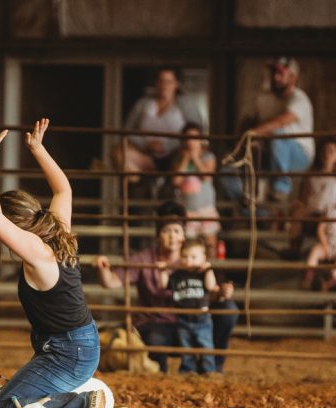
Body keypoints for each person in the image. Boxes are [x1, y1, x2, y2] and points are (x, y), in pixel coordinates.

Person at [0, 118, 117, 408]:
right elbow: (63, 188)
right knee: (9, 400)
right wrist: (38, 150)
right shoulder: (56, 231)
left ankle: (84, 406)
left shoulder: (38, 251)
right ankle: (94, 404)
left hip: (67, 352)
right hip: (77, 345)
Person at [95, 200, 237, 373]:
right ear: (158, 235)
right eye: (166, 231)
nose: (171, 236)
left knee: (228, 310)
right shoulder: (144, 259)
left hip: (192, 320)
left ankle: (214, 367)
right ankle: (160, 374)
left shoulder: (193, 258)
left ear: (183, 235)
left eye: (176, 231)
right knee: (156, 337)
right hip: (157, 322)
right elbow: (111, 282)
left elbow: (207, 292)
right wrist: (103, 268)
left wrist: (221, 293)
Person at [249, 56, 315, 201]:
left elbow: (280, 122)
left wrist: (252, 133)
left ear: (292, 77)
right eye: (273, 73)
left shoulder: (299, 99)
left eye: (280, 74)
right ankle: (253, 199)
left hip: (299, 155)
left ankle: (281, 188)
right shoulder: (266, 100)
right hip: (272, 152)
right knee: (230, 170)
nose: (275, 77)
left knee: (278, 135)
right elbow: (254, 122)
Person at [112, 69, 186, 184]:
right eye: (161, 81)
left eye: (168, 81)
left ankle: (169, 189)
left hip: (175, 156)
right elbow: (127, 130)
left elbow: (195, 132)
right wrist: (146, 144)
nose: (164, 86)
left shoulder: (185, 105)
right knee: (118, 152)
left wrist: (166, 146)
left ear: (176, 83)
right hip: (145, 155)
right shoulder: (143, 104)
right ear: (156, 84)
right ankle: (139, 186)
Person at [166, 122, 221, 257]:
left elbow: (207, 177)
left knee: (210, 245)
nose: (191, 142)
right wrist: (186, 158)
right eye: (188, 138)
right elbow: (176, 180)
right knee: (187, 246)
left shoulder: (208, 156)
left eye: (195, 138)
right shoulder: (178, 158)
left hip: (206, 210)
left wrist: (195, 157)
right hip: (186, 211)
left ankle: (212, 273)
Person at [168, 239, 221, 374]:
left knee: (206, 346)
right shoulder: (177, 274)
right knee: (186, 347)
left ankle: (209, 371)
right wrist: (164, 269)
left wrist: (208, 269)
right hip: (183, 317)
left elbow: (210, 286)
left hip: (201, 317)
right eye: (184, 257)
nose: (189, 261)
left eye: (194, 257)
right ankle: (188, 370)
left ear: (203, 258)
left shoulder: (203, 273)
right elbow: (164, 284)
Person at [287, 138, 336, 255]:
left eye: (331, 151)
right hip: (311, 211)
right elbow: (303, 197)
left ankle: (327, 250)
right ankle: (294, 249)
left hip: (329, 213)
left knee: (325, 217)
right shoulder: (310, 176)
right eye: (324, 151)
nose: (326, 154)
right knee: (298, 212)